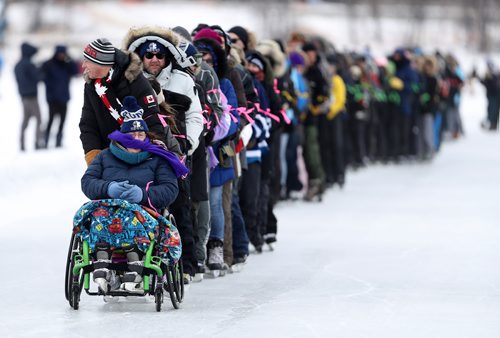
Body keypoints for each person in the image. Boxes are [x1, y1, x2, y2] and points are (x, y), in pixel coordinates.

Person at [81, 96, 187, 293]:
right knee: (99, 214)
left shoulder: (158, 158)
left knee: (132, 216)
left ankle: (135, 261)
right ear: (122, 136)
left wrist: (142, 195)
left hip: (144, 211)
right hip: (109, 208)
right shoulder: (105, 156)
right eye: (132, 135)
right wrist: (108, 188)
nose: (137, 139)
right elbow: (87, 182)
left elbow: (170, 189)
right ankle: (102, 257)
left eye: (141, 134)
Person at [79, 38, 165, 166]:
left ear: (101, 63)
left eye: (87, 61)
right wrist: (93, 156)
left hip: (139, 155)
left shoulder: (134, 80)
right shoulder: (92, 85)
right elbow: (88, 124)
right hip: (107, 156)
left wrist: (149, 161)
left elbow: (152, 121)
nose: (83, 66)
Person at [41, 45, 79, 148]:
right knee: (50, 120)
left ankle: (59, 141)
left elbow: (76, 71)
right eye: (60, 54)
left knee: (62, 121)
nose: (62, 56)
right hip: (52, 99)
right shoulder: (48, 64)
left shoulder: (67, 65)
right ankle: (46, 140)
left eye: (64, 54)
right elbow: (42, 76)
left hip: (64, 98)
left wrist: (70, 58)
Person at [14, 42, 43, 151]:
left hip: (23, 97)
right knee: (39, 119)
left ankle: (22, 144)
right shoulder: (29, 64)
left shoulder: (17, 65)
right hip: (32, 97)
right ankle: (37, 142)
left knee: (25, 121)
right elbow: (38, 77)